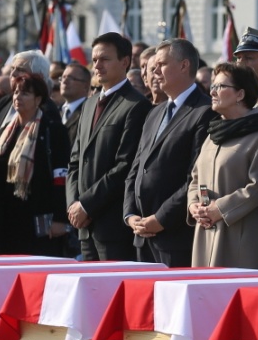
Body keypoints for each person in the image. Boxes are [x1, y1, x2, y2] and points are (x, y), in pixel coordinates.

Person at [124, 39, 215, 267]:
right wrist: (130, 214)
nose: (153, 70)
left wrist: (160, 219)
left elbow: (196, 177)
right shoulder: (155, 113)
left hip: (175, 237)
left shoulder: (205, 112)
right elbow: (137, 167)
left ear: (184, 66)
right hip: (142, 235)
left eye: (161, 64)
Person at [66, 32, 151, 261]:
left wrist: (87, 205)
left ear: (125, 62)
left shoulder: (136, 105)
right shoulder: (89, 104)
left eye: (104, 59)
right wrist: (74, 203)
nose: (97, 65)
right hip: (84, 225)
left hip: (112, 227)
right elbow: (75, 160)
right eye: (94, 60)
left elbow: (125, 166)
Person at [188, 63, 258, 269]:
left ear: (240, 94)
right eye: (213, 85)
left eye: (220, 86)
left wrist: (219, 209)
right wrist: (194, 205)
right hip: (206, 232)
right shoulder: (214, 134)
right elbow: (195, 178)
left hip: (241, 237)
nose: (212, 91)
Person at [0, 73, 70, 255]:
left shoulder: (52, 130)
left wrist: (60, 218)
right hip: (3, 216)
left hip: (36, 217)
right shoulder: (6, 130)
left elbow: (62, 176)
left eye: (25, 93)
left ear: (38, 99)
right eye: (16, 92)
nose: (18, 97)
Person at [59, 63, 90, 147]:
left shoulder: (90, 112)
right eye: (63, 77)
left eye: (71, 78)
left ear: (86, 87)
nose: (64, 81)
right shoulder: (56, 112)